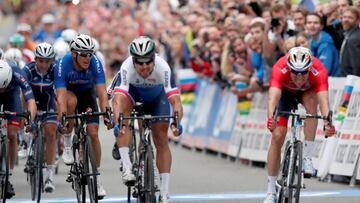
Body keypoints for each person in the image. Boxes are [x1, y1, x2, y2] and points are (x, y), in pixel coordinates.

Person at [112, 36, 183, 203]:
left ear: (154, 59)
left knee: (161, 140)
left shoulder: (163, 67)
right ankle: (128, 168)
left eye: (147, 62)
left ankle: (164, 191)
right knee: (124, 121)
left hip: (157, 97)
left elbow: (175, 100)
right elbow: (118, 98)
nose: (144, 67)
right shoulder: (127, 66)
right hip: (133, 93)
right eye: (140, 63)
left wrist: (176, 122)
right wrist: (118, 120)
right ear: (133, 61)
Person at [263, 47, 335, 203]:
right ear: (289, 68)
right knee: (277, 136)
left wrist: (328, 122)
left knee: (311, 104)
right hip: (285, 95)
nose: (300, 77)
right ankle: (270, 192)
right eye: (295, 73)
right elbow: (273, 98)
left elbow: (324, 101)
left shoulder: (319, 71)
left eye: (304, 73)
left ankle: (307, 157)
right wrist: (271, 118)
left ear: (310, 68)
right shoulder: (279, 68)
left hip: (308, 93)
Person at [54, 34, 111, 199]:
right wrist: (63, 118)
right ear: (74, 54)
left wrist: (106, 113)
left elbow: (101, 92)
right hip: (68, 93)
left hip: (87, 93)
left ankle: (96, 178)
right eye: (84, 54)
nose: (88, 57)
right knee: (70, 103)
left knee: (93, 133)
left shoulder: (95, 63)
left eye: (90, 53)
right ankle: (67, 142)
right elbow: (61, 97)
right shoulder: (63, 64)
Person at [23, 42, 57, 193]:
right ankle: (29, 139)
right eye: (41, 61)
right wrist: (26, 117)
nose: (44, 65)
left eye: (47, 61)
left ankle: (49, 176)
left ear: (51, 61)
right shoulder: (28, 70)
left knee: (50, 133)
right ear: (35, 59)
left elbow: (60, 94)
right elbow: (22, 93)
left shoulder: (55, 70)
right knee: (30, 120)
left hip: (49, 103)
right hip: (31, 101)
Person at [0, 59, 36, 199]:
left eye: (3, 87)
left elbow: (31, 101)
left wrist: (29, 121)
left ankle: (8, 175)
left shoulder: (17, 74)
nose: (1, 90)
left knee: (12, 134)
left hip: (12, 97)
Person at [339, 7, 360, 76]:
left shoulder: (354, 38)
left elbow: (356, 65)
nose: (346, 20)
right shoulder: (348, 35)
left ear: (357, 21)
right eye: (344, 17)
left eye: (350, 17)